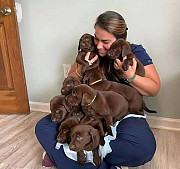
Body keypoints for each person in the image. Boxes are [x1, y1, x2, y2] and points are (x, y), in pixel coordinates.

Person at [35, 11, 161, 169]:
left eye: (105, 41)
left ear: (120, 40)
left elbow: (154, 88)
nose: (99, 45)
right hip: (87, 112)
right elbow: (71, 79)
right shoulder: (89, 51)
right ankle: (97, 160)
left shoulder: (133, 52)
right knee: (43, 127)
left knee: (143, 149)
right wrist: (82, 69)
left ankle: (67, 154)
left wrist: (130, 76)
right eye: (96, 38)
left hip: (124, 113)